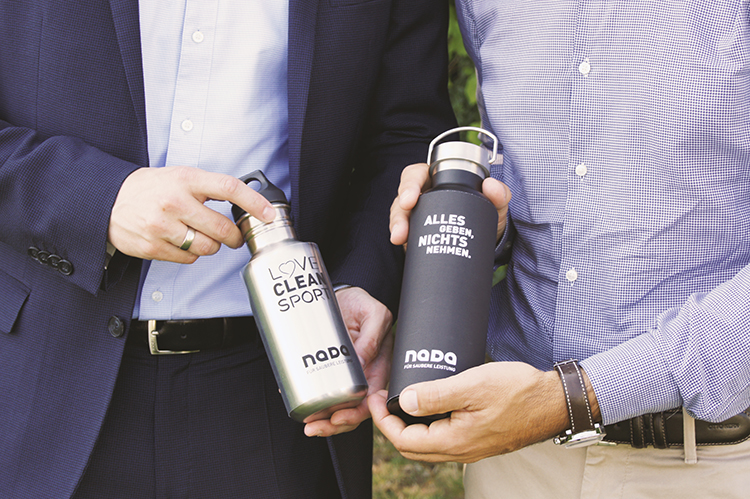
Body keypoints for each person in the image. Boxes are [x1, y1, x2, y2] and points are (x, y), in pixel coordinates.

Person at [0, 1, 457, 498]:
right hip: (39, 379)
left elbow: (406, 133)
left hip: (280, 397)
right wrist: (97, 201)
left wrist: (360, 281)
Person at [370, 1, 750, 497]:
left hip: (716, 463)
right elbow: (540, 189)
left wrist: (573, 397)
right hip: (517, 464)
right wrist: (478, 213)